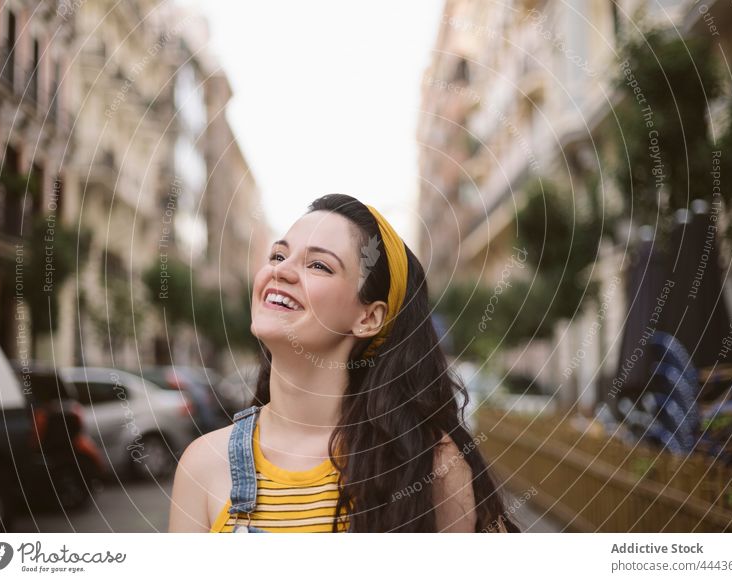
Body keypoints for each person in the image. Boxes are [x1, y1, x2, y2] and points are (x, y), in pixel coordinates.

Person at [168, 193, 520, 533]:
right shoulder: (202, 465)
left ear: (368, 318)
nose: (281, 272)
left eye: (318, 265)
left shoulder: (430, 468)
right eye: (278, 256)